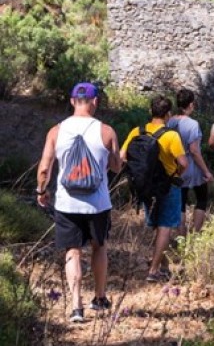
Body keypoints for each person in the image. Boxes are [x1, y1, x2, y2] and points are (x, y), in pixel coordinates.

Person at [36, 83, 122, 323]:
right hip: (98, 204)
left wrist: (42, 191)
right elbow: (116, 166)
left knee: (72, 251)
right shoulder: (106, 131)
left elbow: (44, 168)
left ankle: (76, 306)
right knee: (99, 246)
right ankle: (100, 297)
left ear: (73, 101)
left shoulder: (56, 131)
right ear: (95, 102)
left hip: (67, 204)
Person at [121, 95, 188, 283]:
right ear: (168, 114)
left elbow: (122, 156)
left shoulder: (137, 131)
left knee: (157, 226)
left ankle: (164, 265)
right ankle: (153, 270)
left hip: (145, 186)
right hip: (168, 186)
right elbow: (184, 162)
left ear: (151, 112)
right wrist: (176, 173)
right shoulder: (171, 135)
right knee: (165, 227)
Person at [167, 89, 214, 234]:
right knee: (201, 197)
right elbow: (194, 150)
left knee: (180, 201)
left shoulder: (170, 121)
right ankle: (196, 233)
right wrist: (206, 171)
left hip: (174, 165)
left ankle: (181, 235)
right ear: (191, 104)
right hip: (191, 167)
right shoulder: (193, 124)